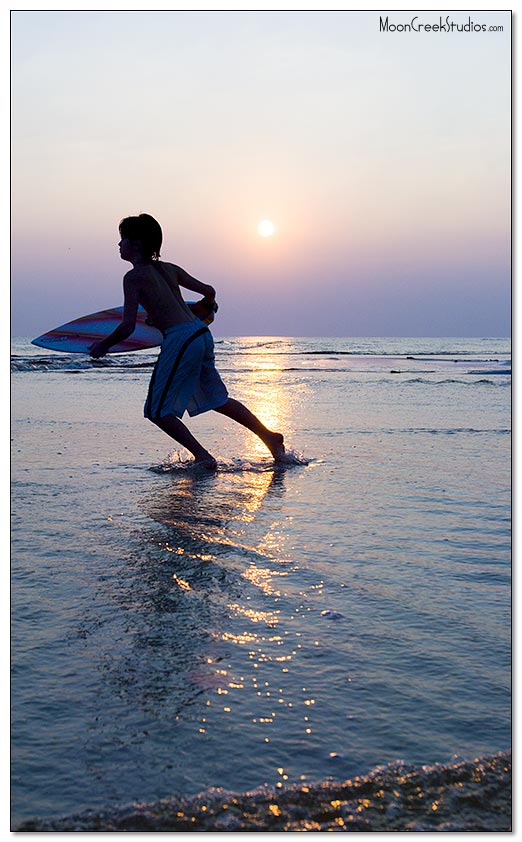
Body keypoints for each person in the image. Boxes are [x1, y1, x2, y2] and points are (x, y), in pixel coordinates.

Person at [89, 214, 285, 469]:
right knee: (217, 398)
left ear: (136, 243)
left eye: (122, 239)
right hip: (200, 333)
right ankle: (269, 437)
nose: (119, 245)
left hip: (180, 338)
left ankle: (203, 457)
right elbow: (209, 291)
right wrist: (205, 307)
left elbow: (126, 326)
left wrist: (104, 344)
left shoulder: (133, 277)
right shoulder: (170, 269)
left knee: (157, 411)